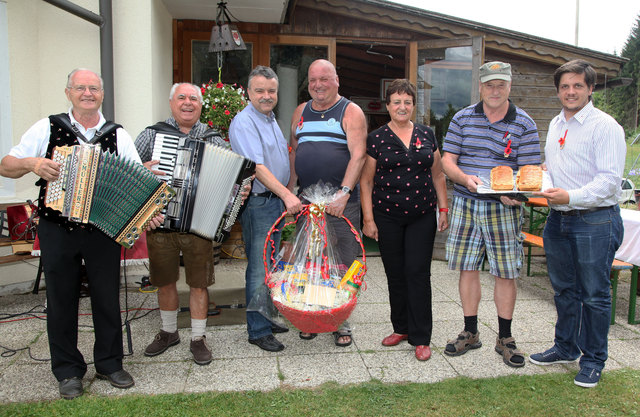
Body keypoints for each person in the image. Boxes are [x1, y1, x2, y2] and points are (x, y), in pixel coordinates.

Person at [0, 69, 159, 399]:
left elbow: (135, 178)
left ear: (102, 94)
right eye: (80, 88)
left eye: (94, 88)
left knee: (106, 295)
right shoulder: (47, 127)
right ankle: (68, 370)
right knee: (60, 298)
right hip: (57, 226)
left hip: (102, 229)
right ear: (68, 92)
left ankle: (110, 363)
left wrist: (147, 187)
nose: (88, 93)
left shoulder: (117, 134)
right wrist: (33, 163)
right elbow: (6, 164)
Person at [529, 60, 625, 388]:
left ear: (590, 88)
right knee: (564, 290)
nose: (570, 92)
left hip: (595, 220)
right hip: (559, 220)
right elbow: (553, 168)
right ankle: (565, 347)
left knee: (595, 294)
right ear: (558, 90)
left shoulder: (605, 126)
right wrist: (536, 183)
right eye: (565, 86)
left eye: (577, 86)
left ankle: (594, 359)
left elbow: (610, 183)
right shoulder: (556, 123)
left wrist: (568, 196)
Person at [441, 61, 541, 368]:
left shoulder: (524, 123)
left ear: (510, 86)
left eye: (501, 84)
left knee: (505, 271)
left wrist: (516, 193)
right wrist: (463, 178)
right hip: (466, 202)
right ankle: (470, 331)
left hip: (503, 207)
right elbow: (447, 161)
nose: (495, 90)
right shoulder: (462, 118)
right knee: (467, 268)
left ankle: (505, 338)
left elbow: (530, 172)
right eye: (489, 85)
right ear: (480, 87)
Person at [134, 82, 230, 366]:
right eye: (182, 98)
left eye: (193, 98)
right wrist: (142, 173)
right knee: (164, 280)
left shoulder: (213, 139)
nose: (188, 103)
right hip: (160, 222)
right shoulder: (151, 135)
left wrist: (237, 190)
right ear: (171, 102)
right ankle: (168, 332)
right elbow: (128, 168)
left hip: (198, 224)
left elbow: (230, 177)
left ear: (201, 105)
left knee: (199, 283)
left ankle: (198, 338)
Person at [360, 79, 448, 361]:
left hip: (423, 215)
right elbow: (366, 181)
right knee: (395, 273)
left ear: (413, 105)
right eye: (396, 102)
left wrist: (443, 209)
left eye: (407, 102)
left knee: (418, 274)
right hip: (387, 217)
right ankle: (401, 328)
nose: (402, 107)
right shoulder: (376, 138)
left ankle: (421, 337)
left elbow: (438, 174)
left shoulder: (427, 134)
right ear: (388, 106)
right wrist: (369, 220)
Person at [289, 59, 367, 346]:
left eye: (324, 79)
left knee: (344, 262)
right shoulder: (301, 111)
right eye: (312, 80)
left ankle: (339, 320)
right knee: (309, 260)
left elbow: (358, 156)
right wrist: (290, 192)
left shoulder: (351, 111)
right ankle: (309, 315)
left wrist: (344, 193)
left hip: (340, 203)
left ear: (337, 80)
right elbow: (295, 153)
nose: (318, 85)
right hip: (306, 202)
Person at [229, 65, 303, 352]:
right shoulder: (244, 122)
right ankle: (257, 330)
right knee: (260, 269)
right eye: (259, 90)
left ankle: (267, 317)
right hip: (260, 203)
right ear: (248, 92)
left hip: (274, 203)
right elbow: (257, 167)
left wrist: (286, 194)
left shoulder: (270, 119)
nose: (266, 96)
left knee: (272, 265)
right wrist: (288, 195)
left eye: (271, 91)